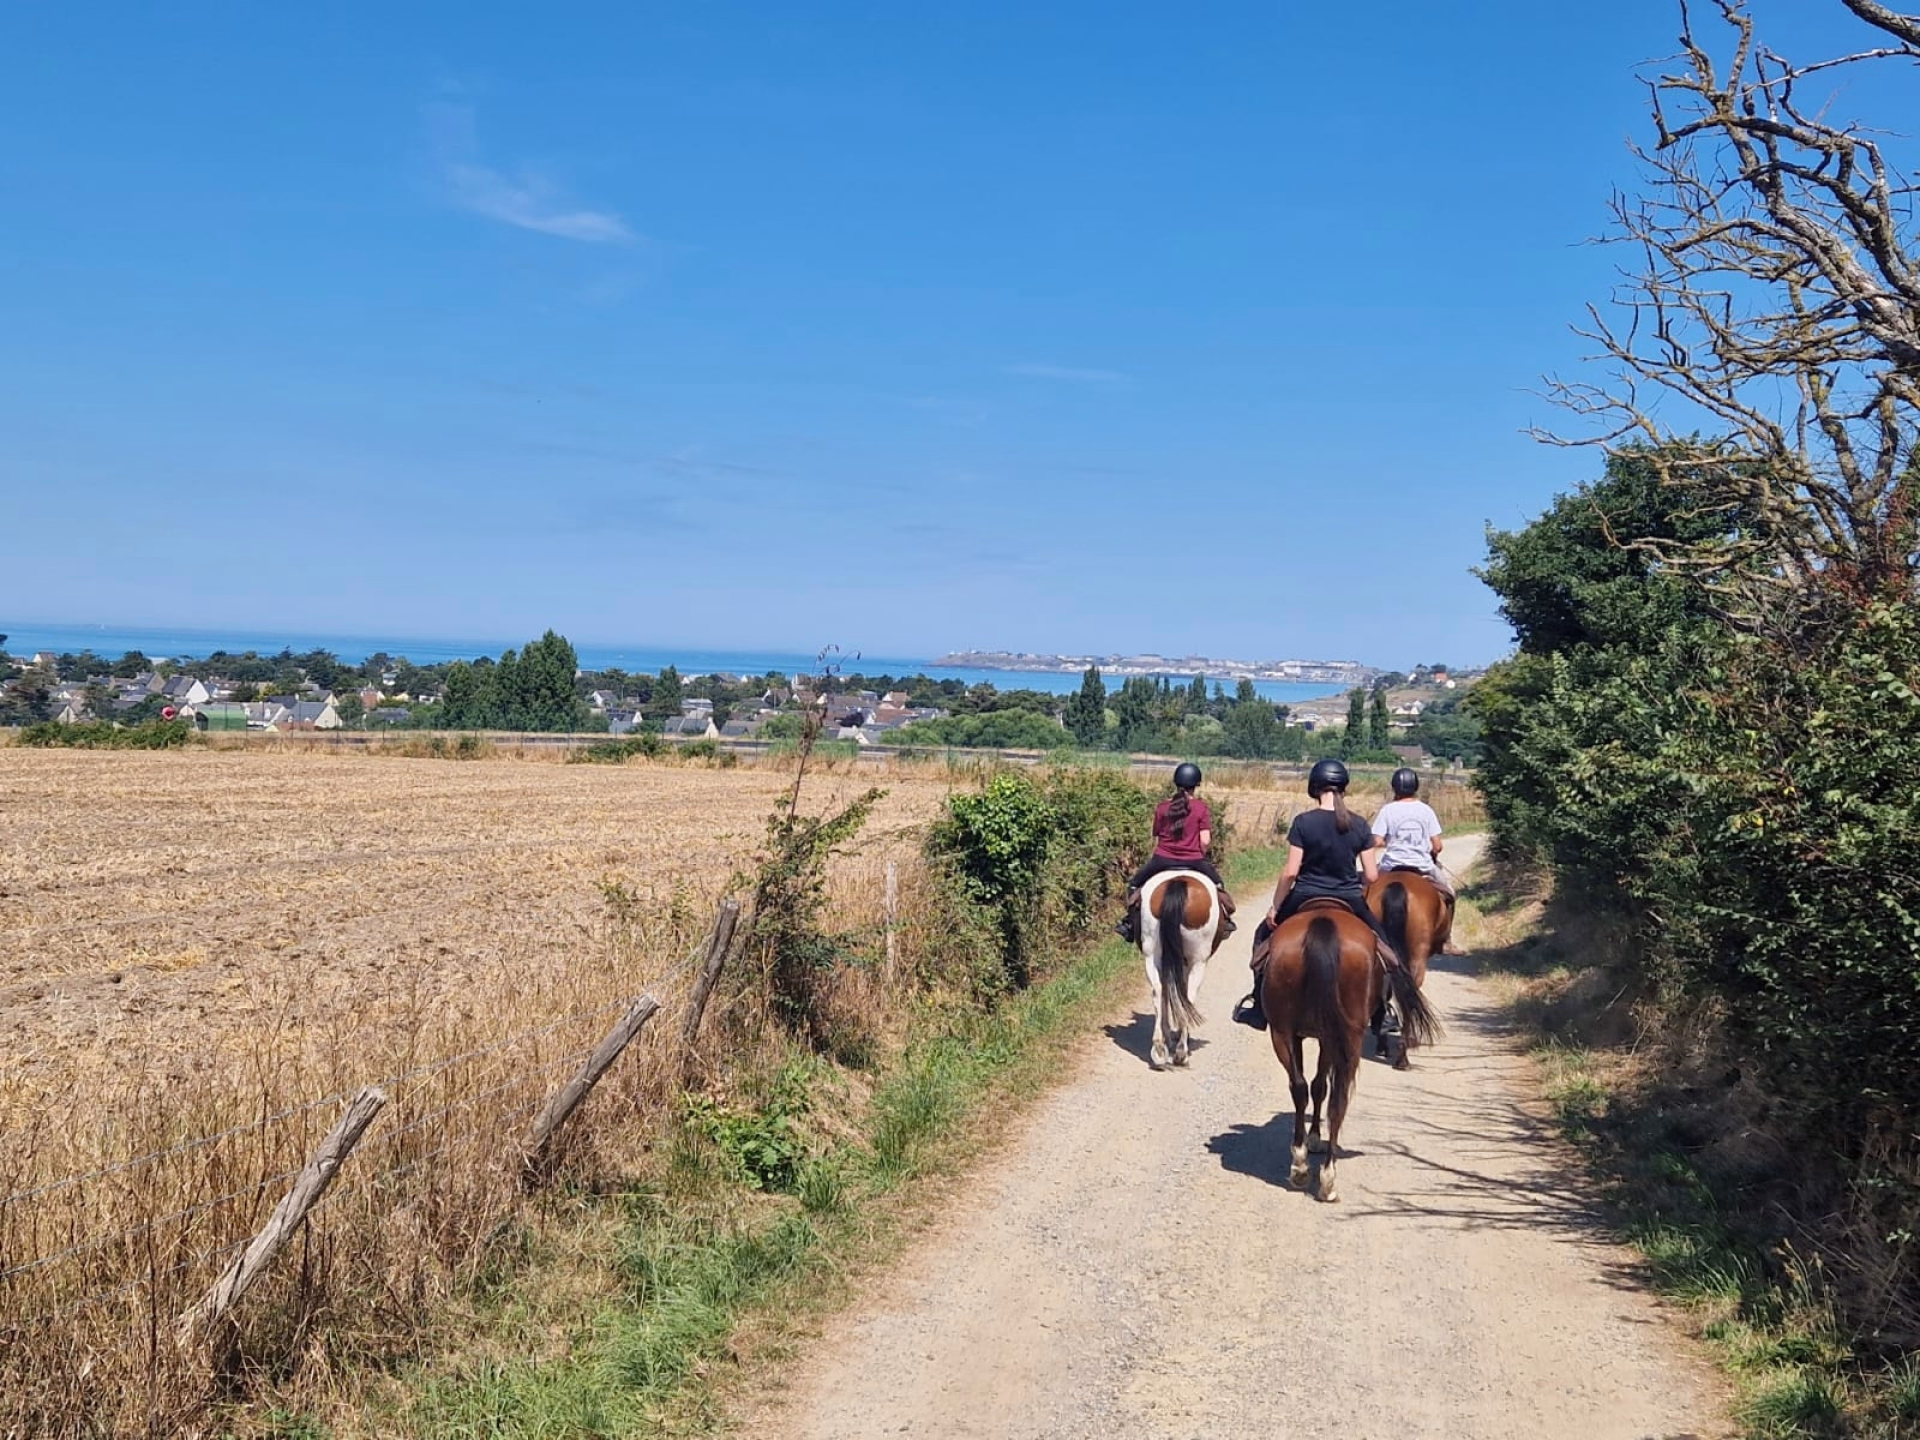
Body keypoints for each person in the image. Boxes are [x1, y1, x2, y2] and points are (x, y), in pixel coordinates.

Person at [1232, 757, 1400, 1030]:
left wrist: (1275, 908)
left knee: (1263, 936)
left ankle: (1259, 1007)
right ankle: (1382, 1012)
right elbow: (1371, 876)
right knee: (1385, 949)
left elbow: (1290, 872)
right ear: (1343, 787)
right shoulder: (1358, 824)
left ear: (1314, 787)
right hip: (1349, 898)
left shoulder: (1303, 822)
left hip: (1305, 894)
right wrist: (1348, 879)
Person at [1116, 761, 1236, 943]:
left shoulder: (1162, 807)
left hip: (1162, 859)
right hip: (1194, 860)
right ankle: (1226, 921)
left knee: (1134, 885)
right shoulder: (1201, 808)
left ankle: (1130, 924)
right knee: (1218, 885)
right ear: (1196, 785)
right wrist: (1198, 853)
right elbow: (1205, 840)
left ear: (1176, 783)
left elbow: (1156, 834)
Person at [1372, 766, 1465, 956]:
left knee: (1366, 889)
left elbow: (1377, 841)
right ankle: (1446, 940)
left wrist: (1391, 842)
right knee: (1450, 893)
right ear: (1415, 787)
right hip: (1422, 865)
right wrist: (1429, 851)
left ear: (1394, 787)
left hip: (1390, 865)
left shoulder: (1387, 810)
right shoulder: (1426, 810)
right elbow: (1437, 845)